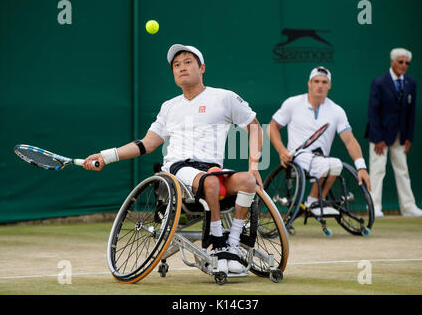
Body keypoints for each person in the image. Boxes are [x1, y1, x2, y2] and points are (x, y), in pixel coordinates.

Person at [83, 44, 264, 274]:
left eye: (188, 62)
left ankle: (233, 243)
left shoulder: (224, 98)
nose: (181, 68)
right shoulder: (169, 107)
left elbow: (255, 128)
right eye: (176, 65)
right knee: (209, 180)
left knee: (248, 181)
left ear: (202, 68)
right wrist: (106, 156)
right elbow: (145, 144)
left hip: (212, 170)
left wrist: (254, 166)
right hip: (178, 172)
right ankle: (217, 242)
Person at [269, 66, 371, 216]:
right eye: (316, 81)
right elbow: (272, 127)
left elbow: (350, 140)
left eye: (324, 82)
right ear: (309, 83)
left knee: (336, 164)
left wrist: (361, 167)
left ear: (329, 85)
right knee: (327, 164)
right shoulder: (292, 103)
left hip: (322, 158)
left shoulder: (337, 111)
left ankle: (315, 200)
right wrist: (282, 150)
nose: (320, 85)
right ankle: (315, 201)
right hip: (297, 157)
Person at [365, 48, 422, 217]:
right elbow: (373, 112)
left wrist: (409, 137)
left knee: (402, 170)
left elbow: (411, 112)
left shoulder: (411, 83)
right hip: (380, 137)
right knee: (377, 171)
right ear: (392, 62)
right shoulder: (379, 82)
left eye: (407, 63)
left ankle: (408, 207)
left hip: (400, 136)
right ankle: (374, 207)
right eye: (400, 62)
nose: (404, 65)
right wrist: (378, 138)